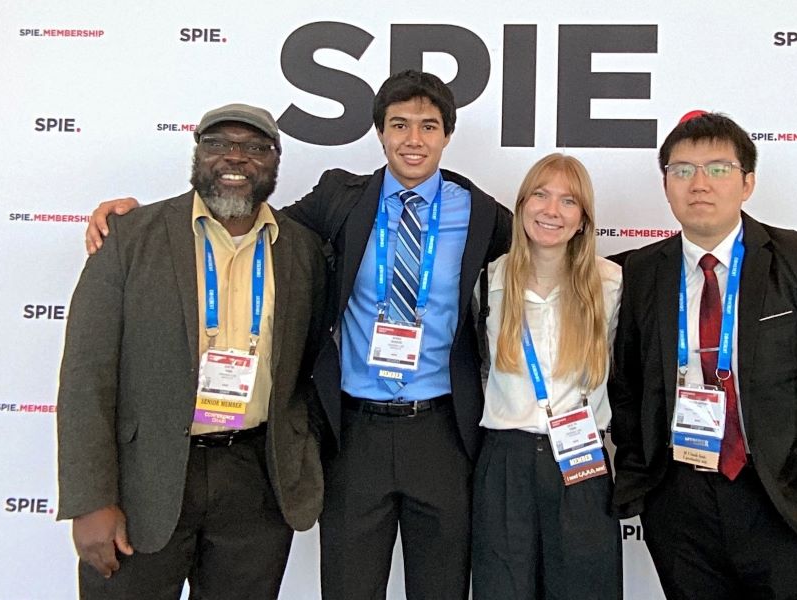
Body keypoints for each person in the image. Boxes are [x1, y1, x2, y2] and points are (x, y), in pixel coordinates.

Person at [84, 71, 512, 600]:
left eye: (428, 126)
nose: (413, 139)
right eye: (399, 125)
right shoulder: (341, 197)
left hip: (443, 431)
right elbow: (244, 225)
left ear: (447, 134)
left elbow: (551, 253)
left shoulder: (482, 214)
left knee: (443, 587)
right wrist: (137, 217)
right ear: (380, 133)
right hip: (354, 432)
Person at [57, 103, 326, 599]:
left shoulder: (302, 250)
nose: (236, 158)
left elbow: (309, 364)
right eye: (219, 144)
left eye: (254, 148)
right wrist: (90, 499)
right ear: (198, 153)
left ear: (275, 161)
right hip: (145, 481)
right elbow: (86, 376)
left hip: (257, 479)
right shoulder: (130, 238)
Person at [609, 111, 797, 599]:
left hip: (782, 499)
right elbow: (625, 384)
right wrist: (644, 481)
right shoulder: (644, 271)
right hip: (680, 502)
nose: (699, 184)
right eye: (682, 170)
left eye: (718, 168)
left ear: (747, 182)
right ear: (666, 183)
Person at [471, 153, 622, 599]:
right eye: (540, 195)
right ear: (520, 207)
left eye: (568, 201)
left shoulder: (612, 284)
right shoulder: (487, 282)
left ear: (583, 220)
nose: (551, 210)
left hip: (582, 462)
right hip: (504, 461)